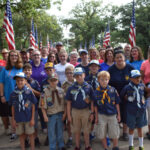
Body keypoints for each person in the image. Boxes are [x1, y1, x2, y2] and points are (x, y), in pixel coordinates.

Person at [108, 50, 134, 141]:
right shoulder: (111, 69)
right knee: (114, 114)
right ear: (114, 59)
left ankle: (125, 132)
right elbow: (107, 83)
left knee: (126, 114)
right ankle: (114, 133)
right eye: (117, 57)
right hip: (114, 94)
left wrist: (130, 93)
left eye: (121, 57)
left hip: (127, 95)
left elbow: (135, 81)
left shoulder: (130, 68)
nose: (119, 59)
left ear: (124, 58)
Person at [66, 67, 95, 150]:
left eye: (80, 75)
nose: (79, 77)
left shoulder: (88, 87)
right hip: (75, 111)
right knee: (76, 130)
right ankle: (77, 146)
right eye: (77, 76)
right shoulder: (71, 88)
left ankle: (87, 146)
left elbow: (92, 101)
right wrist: (69, 115)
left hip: (86, 111)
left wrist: (92, 113)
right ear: (74, 77)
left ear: (84, 75)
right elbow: (68, 103)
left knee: (86, 130)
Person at [120, 70, 147, 150]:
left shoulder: (142, 86)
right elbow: (121, 96)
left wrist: (144, 102)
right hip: (131, 111)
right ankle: (131, 145)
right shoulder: (127, 87)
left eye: (139, 77)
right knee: (131, 128)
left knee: (140, 128)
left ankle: (141, 145)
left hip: (141, 111)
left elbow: (145, 95)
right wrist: (126, 98)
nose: (138, 79)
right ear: (131, 78)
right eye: (135, 78)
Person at [9, 72, 37, 150]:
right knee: (21, 135)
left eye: (21, 80)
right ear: (16, 82)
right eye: (18, 81)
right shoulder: (13, 94)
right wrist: (13, 119)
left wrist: (32, 119)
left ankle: (32, 148)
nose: (20, 82)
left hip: (28, 118)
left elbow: (33, 105)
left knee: (31, 134)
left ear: (25, 81)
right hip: (18, 118)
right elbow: (13, 107)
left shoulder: (29, 92)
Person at [0, 50, 23, 141]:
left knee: (19, 114)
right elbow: (1, 83)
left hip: (20, 96)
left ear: (18, 57)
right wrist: (2, 95)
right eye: (12, 55)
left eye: (16, 55)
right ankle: (14, 132)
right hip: (8, 96)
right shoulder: (4, 69)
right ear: (9, 57)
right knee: (11, 115)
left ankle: (20, 131)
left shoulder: (21, 68)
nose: (14, 57)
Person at [94, 71, 120, 150]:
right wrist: (96, 117)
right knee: (102, 133)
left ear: (108, 80)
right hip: (101, 115)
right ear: (98, 80)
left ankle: (115, 146)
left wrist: (119, 115)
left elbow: (117, 103)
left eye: (106, 79)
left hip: (112, 115)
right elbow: (95, 106)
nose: (104, 81)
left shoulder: (113, 90)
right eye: (102, 80)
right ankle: (105, 147)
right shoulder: (96, 92)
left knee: (114, 132)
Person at [40, 73, 66, 150]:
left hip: (60, 114)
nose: (53, 82)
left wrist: (65, 114)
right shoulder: (44, 92)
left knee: (60, 131)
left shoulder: (61, 91)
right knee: (51, 133)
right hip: (51, 116)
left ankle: (61, 145)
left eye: (55, 80)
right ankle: (53, 147)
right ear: (48, 81)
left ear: (57, 81)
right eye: (51, 81)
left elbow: (65, 104)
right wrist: (44, 116)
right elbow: (42, 106)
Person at [23, 63, 41, 147]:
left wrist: (31, 89)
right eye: (25, 70)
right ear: (23, 71)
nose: (27, 71)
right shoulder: (19, 82)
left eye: (29, 70)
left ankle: (35, 138)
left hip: (34, 107)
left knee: (35, 124)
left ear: (31, 71)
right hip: (24, 108)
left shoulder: (35, 82)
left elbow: (39, 94)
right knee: (25, 124)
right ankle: (26, 140)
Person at [62, 65, 75, 148]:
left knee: (78, 123)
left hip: (77, 106)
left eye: (71, 73)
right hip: (68, 106)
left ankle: (78, 138)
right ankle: (70, 138)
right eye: (67, 73)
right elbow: (63, 96)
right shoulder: (64, 84)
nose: (69, 75)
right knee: (69, 123)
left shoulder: (77, 82)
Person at [140, 47, 150, 139]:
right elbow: (141, 78)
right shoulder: (144, 63)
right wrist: (146, 88)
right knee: (149, 110)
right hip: (148, 89)